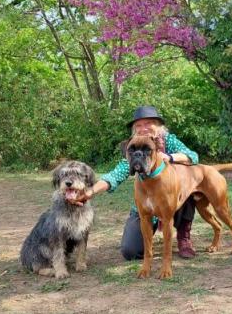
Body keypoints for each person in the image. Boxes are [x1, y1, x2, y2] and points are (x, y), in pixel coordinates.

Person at [68, 106, 200, 260]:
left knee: (186, 182)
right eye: (138, 125)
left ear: (158, 126)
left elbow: (193, 156)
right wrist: (90, 192)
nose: (143, 128)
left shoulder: (169, 140)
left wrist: (169, 157)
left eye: (148, 123)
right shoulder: (133, 147)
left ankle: (183, 236)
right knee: (130, 251)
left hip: (172, 198)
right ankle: (149, 236)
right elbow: (114, 176)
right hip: (146, 205)